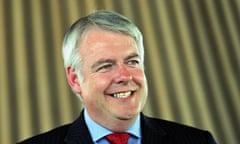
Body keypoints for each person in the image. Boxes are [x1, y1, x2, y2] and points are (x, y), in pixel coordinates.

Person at [18, 10, 217, 144]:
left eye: (132, 62)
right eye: (106, 66)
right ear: (75, 79)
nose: (124, 76)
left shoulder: (198, 141)